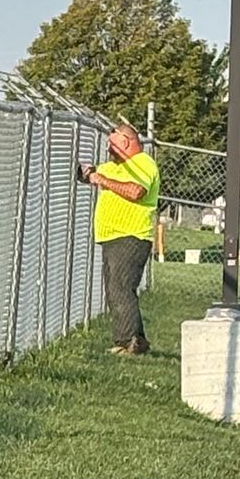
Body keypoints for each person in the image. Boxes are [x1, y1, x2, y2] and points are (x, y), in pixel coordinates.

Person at [83, 124, 161, 355]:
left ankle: (128, 342)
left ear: (126, 141)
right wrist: (86, 172)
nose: (108, 147)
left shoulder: (143, 164)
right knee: (115, 288)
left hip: (131, 235)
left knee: (121, 287)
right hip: (111, 236)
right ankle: (134, 340)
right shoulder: (112, 167)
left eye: (112, 143)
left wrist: (102, 181)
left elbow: (136, 191)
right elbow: (91, 175)